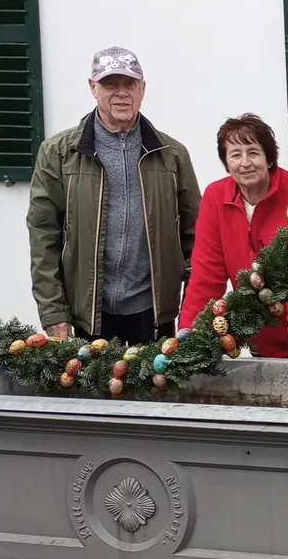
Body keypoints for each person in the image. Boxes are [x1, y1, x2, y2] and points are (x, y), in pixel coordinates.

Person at [27, 47, 200, 345]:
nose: (122, 93)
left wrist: (193, 308)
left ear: (143, 88)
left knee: (153, 391)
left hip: (153, 311)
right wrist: (54, 310)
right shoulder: (58, 153)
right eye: (110, 84)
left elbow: (195, 235)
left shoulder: (172, 155)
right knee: (91, 393)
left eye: (130, 83)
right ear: (93, 88)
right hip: (89, 313)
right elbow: (43, 235)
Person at [179, 114, 288, 360]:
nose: (245, 163)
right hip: (265, 334)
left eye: (253, 152)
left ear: (269, 158)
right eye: (235, 154)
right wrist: (189, 336)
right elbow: (206, 274)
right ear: (226, 162)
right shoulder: (215, 197)